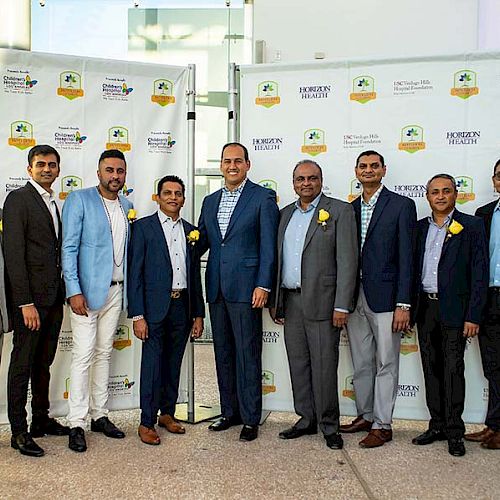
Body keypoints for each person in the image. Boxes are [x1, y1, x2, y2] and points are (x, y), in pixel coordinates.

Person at [270, 160, 357, 450]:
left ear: (321, 180)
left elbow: (347, 262)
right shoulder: (284, 215)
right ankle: (306, 418)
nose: (305, 183)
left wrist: (342, 305)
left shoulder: (339, 211)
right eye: (299, 179)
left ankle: (329, 425)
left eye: (311, 178)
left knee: (324, 366)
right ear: (293, 183)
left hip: (324, 303)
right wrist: (276, 301)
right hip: (291, 301)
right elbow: (279, 260)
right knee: (299, 364)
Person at [198, 142, 279, 442]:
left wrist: (263, 284)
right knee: (223, 354)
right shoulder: (209, 201)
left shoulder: (263, 197)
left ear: (247, 164)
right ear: (220, 165)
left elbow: (269, 246)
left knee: (247, 354)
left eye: (237, 161)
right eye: (226, 161)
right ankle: (229, 412)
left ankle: (250, 418)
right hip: (217, 288)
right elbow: (203, 241)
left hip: (248, 290)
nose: (232, 166)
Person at [341, 150, 417, 448]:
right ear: (356, 171)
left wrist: (404, 303)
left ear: (384, 170)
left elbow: (407, 258)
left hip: (387, 299)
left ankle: (383, 424)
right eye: (363, 166)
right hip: (353, 297)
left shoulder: (401, 206)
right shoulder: (349, 209)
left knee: (386, 361)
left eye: (374, 166)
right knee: (361, 362)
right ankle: (366, 414)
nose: (368, 170)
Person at [411, 173, 488, 456]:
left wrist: (474, 315)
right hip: (425, 308)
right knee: (431, 368)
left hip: (456, 310)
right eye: (434, 192)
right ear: (427, 196)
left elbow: (479, 273)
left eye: (446, 191)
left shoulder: (472, 226)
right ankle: (437, 425)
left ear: (455, 194)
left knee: (453, 370)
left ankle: (455, 431)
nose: (440, 196)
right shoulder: (418, 228)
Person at [62, 149, 133, 453]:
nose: (114, 176)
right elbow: (68, 248)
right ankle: (76, 422)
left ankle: (99, 415)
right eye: (109, 170)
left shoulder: (128, 205)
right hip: (87, 293)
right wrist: (73, 290)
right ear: (99, 172)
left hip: (116, 290)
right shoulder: (79, 200)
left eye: (119, 171)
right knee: (83, 356)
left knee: (104, 353)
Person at [128, 175, 204, 446]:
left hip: (182, 306)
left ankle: (167, 413)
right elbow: (134, 274)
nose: (173, 197)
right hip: (152, 310)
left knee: (173, 364)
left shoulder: (191, 231)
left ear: (184, 198)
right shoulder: (143, 228)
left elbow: (195, 275)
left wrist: (198, 313)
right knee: (152, 366)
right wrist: (138, 315)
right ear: (157, 197)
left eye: (178, 193)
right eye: (168, 193)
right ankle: (146, 421)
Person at [3, 145, 69, 457]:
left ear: (58, 170)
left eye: (52, 165)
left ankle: (41, 419)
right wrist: (24, 302)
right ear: (30, 169)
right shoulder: (18, 199)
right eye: (41, 164)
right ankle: (18, 430)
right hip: (30, 302)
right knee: (22, 363)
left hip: (54, 298)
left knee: (43, 362)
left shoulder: (55, 202)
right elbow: (13, 255)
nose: (47, 169)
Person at [464, 161, 500, 449]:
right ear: (494, 180)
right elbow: (476, 263)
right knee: (493, 366)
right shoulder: (483, 215)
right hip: (489, 299)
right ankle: (494, 425)